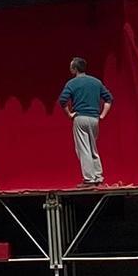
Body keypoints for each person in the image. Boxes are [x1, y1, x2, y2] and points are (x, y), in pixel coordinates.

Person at [59, 57, 113, 187]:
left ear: (75, 69)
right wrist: (102, 115)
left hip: (81, 117)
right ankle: (98, 176)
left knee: (83, 148)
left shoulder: (72, 83)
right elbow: (109, 99)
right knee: (93, 147)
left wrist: (69, 114)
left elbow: (62, 100)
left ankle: (89, 179)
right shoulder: (96, 82)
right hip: (94, 118)